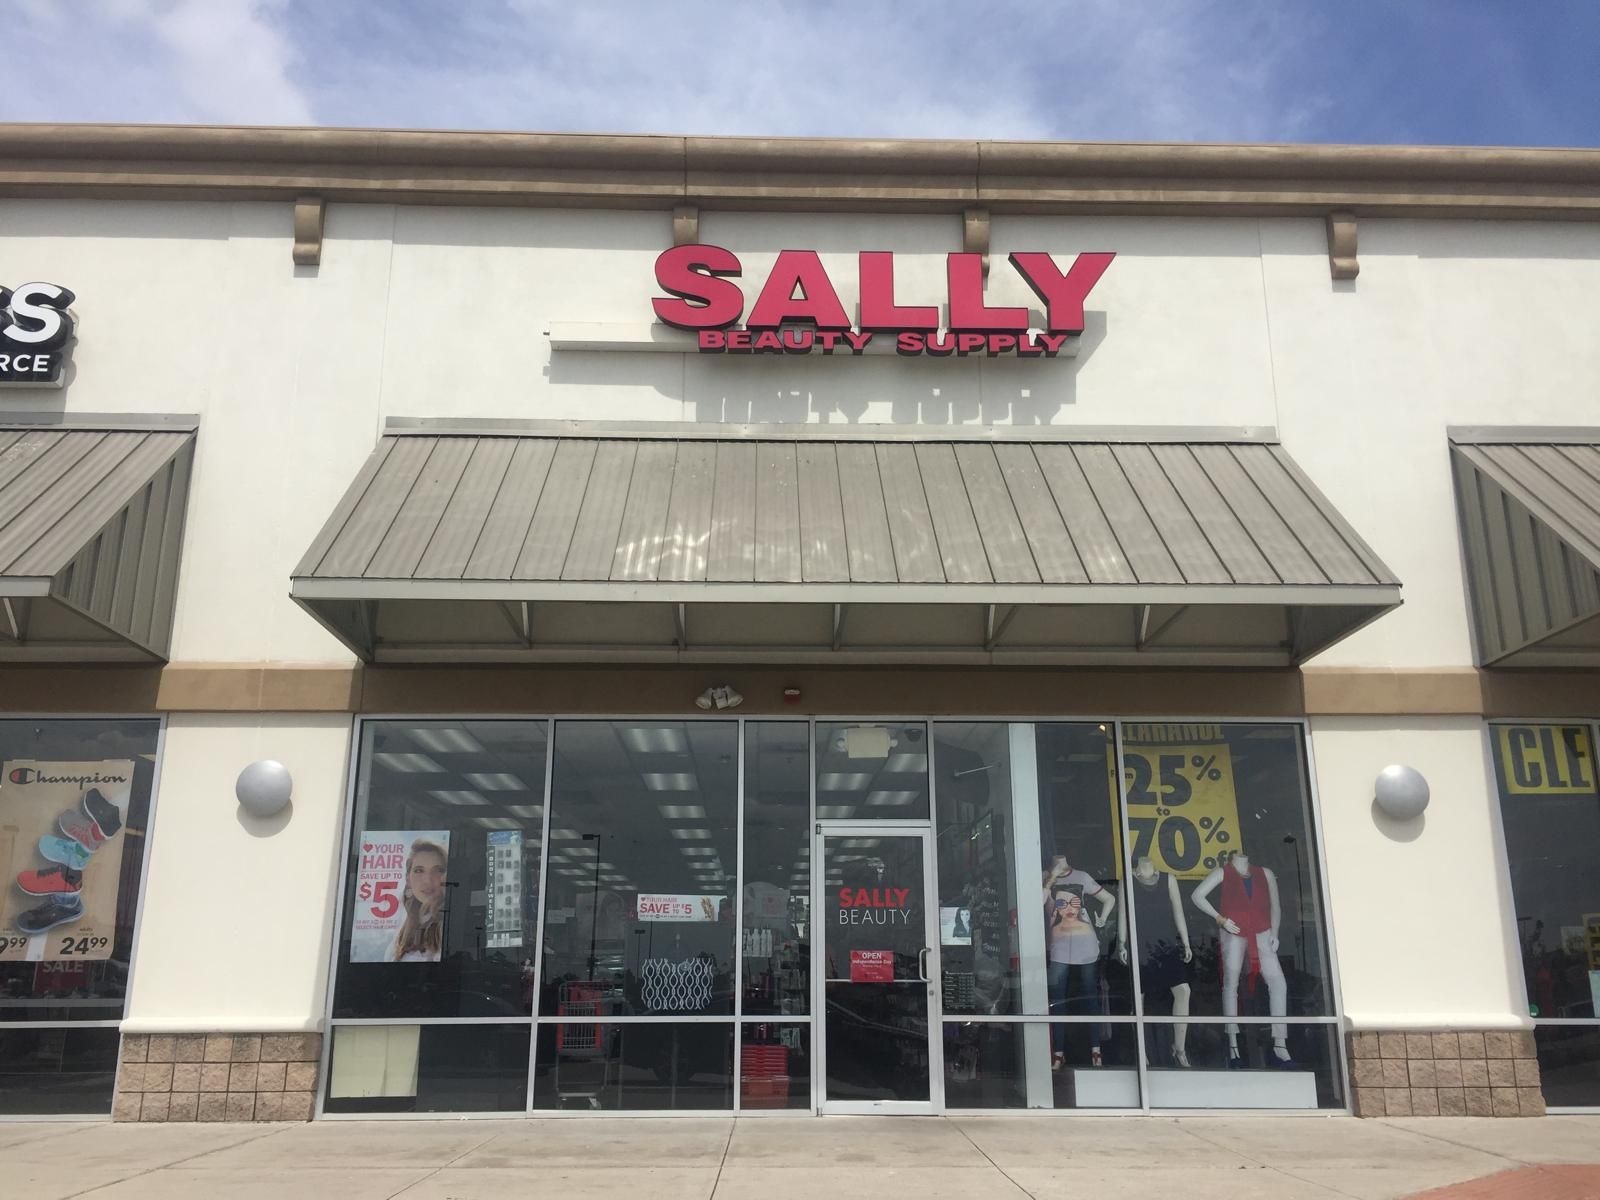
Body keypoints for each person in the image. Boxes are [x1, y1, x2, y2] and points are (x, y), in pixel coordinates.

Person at [1042, 854, 1115, 1069]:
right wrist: (1052, 877)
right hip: (1059, 946)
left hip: (1085, 944)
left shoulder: (1082, 877)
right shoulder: (1045, 878)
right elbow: (1037, 901)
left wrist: (1102, 919)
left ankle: (1095, 1050)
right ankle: (1058, 1052)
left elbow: (1109, 898)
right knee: (1057, 999)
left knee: (1090, 997)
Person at [391, 837, 448, 963]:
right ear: (408, 879)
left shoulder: (447, 924)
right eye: (419, 870)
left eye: (438, 870)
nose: (428, 880)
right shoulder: (404, 927)